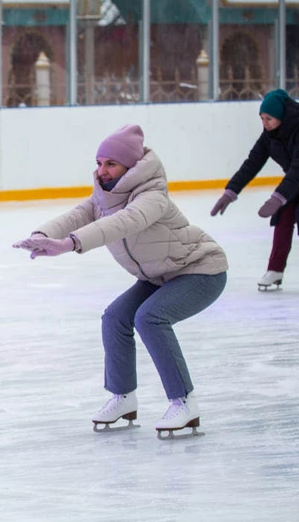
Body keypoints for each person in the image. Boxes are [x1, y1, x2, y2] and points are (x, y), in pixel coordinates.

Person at [13, 125, 228, 438]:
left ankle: (184, 402)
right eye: (99, 162)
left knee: (150, 317)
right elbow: (76, 216)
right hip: (159, 275)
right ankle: (123, 397)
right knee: (115, 317)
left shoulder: (152, 197)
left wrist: (70, 244)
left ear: (132, 167)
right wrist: (42, 235)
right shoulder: (104, 196)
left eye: (111, 164)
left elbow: (121, 223)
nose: (102, 171)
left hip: (200, 270)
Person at [211, 88, 299, 291]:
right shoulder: (270, 135)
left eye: (269, 118)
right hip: (294, 181)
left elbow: (297, 169)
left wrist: (278, 197)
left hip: (295, 177)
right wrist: (230, 192)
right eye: (262, 118)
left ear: (281, 116)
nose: (265, 123)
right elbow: (253, 162)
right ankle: (275, 270)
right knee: (282, 218)